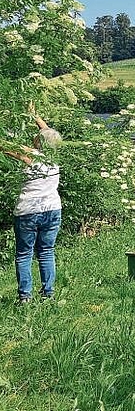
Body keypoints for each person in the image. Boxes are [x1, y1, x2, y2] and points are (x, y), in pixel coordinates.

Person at [2, 106, 62, 304]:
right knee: (46, 251)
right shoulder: (55, 156)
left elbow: (5, 145)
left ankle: (25, 296)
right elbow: (48, 134)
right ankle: (48, 294)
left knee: (24, 253)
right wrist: (34, 115)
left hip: (28, 211)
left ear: (39, 143)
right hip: (52, 210)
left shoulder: (30, 158)